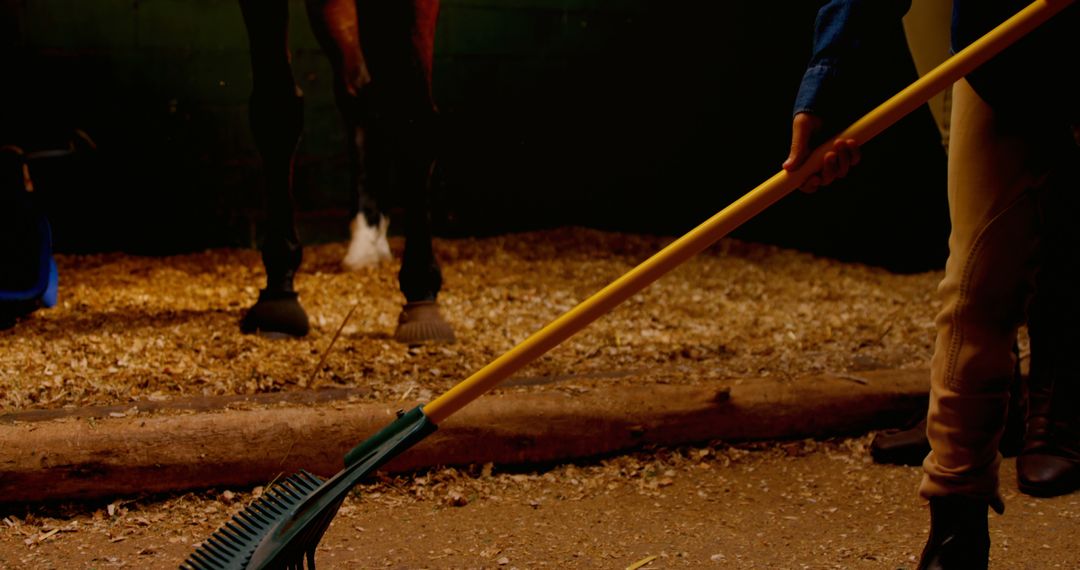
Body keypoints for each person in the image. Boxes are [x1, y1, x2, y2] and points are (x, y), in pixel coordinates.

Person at [781, 1, 1079, 567]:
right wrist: (832, 81)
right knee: (975, 287)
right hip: (1005, 49)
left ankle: (1061, 406)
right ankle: (955, 526)